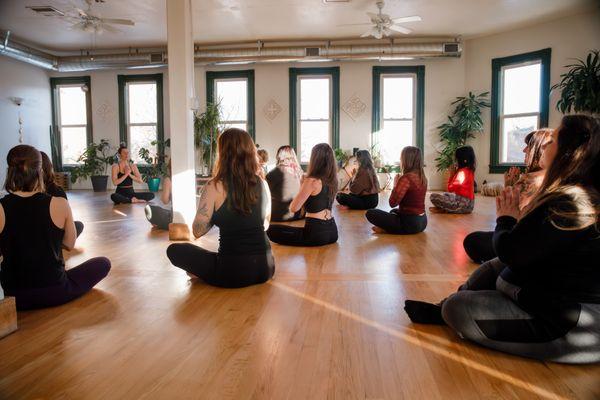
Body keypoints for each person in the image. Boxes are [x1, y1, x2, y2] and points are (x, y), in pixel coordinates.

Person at [404, 115, 600, 364]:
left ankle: (448, 309)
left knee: (459, 309)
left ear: (569, 152)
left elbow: (512, 252)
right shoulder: (569, 194)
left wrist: (506, 219)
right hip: (542, 293)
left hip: (571, 325)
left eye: (553, 141)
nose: (545, 145)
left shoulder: (570, 202)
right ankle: (445, 307)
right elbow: (522, 250)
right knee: (494, 265)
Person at [0, 145, 111, 310]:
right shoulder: (59, 203)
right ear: (40, 171)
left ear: (10, 170)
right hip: (55, 291)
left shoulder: (1, 207)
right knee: (103, 263)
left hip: (14, 296)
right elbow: (69, 244)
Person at [166, 128, 275, 288]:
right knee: (213, 257)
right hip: (266, 268)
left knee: (174, 250)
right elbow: (265, 225)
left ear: (223, 154)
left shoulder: (214, 186)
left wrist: (216, 216)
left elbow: (197, 231)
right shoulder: (262, 183)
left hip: (233, 272)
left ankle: (202, 272)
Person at [463, 129, 553, 263]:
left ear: (538, 149)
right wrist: (510, 186)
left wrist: (510, 188)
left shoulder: (531, 179)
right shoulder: (552, 175)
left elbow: (512, 218)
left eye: (528, 146)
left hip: (522, 244)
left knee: (471, 240)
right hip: (542, 241)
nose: (524, 150)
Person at [266, 143, 338, 247]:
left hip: (316, 234)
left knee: (271, 230)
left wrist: (302, 184)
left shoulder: (312, 181)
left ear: (314, 159)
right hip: (332, 231)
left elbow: (294, 208)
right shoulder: (332, 180)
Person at [365, 146, 427, 234]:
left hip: (410, 224)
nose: (400, 160)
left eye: (401, 158)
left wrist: (395, 185)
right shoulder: (422, 177)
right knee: (393, 212)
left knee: (370, 213)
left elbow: (392, 203)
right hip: (422, 222)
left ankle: (388, 229)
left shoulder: (406, 178)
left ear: (406, 160)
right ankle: (391, 228)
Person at [40, 151, 84, 237]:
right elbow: (66, 222)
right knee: (77, 225)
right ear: (49, 167)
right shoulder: (57, 190)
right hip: (51, 235)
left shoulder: (22, 192)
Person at [430, 146, 476, 214]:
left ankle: (445, 209)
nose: (455, 161)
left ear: (462, 160)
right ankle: (445, 208)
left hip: (462, 205)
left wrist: (451, 175)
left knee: (433, 197)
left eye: (456, 159)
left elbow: (450, 189)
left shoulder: (462, 173)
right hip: (470, 205)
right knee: (446, 195)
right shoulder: (469, 171)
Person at [266, 145, 304, 222]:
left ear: (279, 156)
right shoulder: (299, 171)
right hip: (297, 213)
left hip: (280, 214)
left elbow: (263, 190)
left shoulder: (277, 171)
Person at [145, 160, 173, 230]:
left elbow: (165, 201)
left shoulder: (168, 180)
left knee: (149, 208)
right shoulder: (191, 177)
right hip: (191, 219)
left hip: (174, 219)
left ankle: (161, 224)